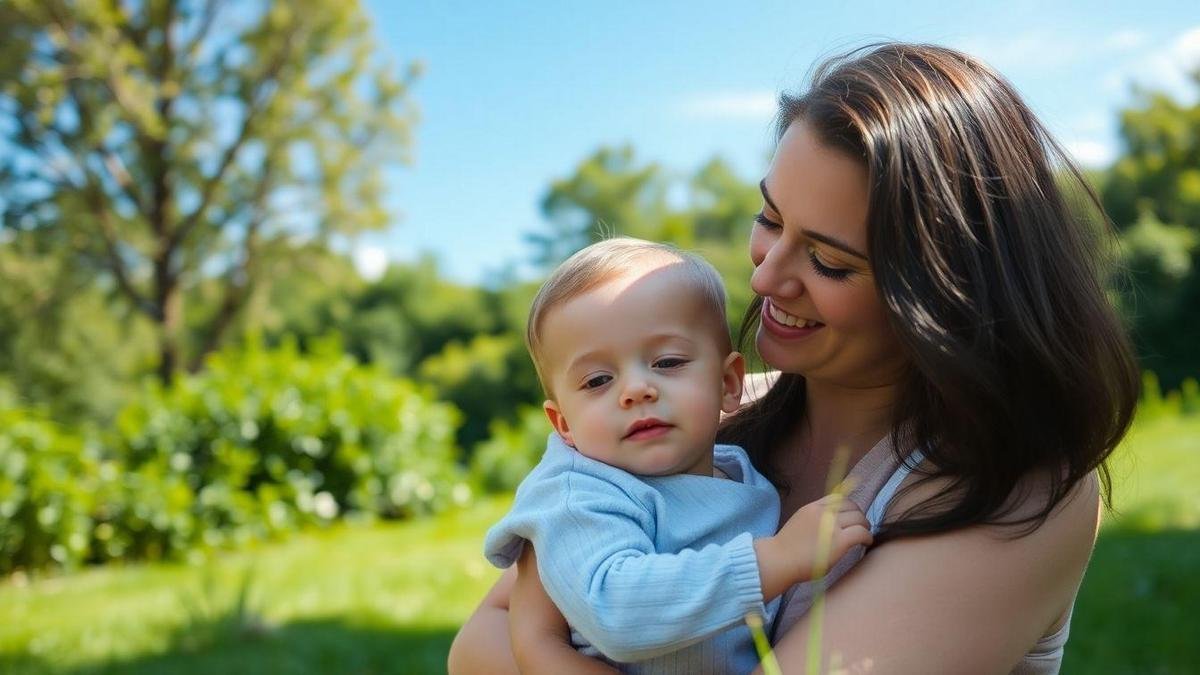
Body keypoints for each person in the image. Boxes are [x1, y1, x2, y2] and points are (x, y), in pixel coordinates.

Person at [448, 42, 1138, 674]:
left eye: (829, 260)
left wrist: (535, 642)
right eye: (771, 220)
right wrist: (534, 634)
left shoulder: (1007, 488)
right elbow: (475, 647)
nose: (765, 277)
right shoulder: (699, 417)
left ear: (942, 290)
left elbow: (507, 642)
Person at [483, 237, 872, 673]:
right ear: (564, 425)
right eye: (597, 381)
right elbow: (616, 610)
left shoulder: (741, 474)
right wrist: (775, 560)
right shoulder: (580, 494)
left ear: (728, 383)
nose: (635, 390)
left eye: (667, 362)